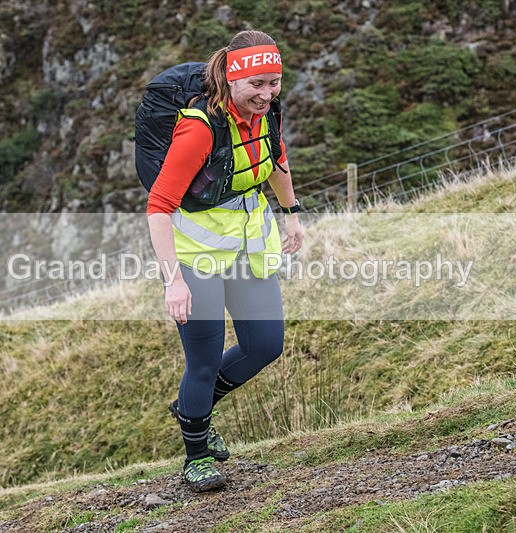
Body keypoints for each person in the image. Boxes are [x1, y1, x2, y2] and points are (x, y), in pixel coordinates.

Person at [146, 29, 304, 492]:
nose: (266, 93)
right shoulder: (199, 127)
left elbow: (276, 159)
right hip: (196, 257)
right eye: (256, 84)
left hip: (247, 245)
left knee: (265, 345)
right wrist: (173, 280)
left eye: (273, 82)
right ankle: (196, 455)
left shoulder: (266, 114)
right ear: (232, 79)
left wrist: (291, 213)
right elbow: (159, 206)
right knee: (203, 360)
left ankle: (193, 409)